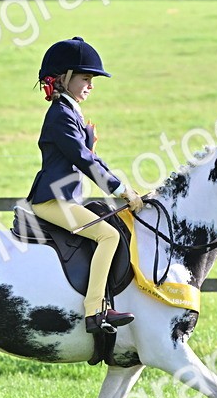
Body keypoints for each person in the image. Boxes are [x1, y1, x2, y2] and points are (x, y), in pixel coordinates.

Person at [27, 36, 144, 335]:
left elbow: (92, 157)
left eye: (92, 80)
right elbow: (83, 159)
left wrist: (125, 188)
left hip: (67, 199)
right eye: (85, 78)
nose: (90, 85)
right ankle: (94, 312)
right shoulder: (61, 116)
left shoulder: (71, 113)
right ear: (65, 79)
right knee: (108, 237)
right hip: (53, 201)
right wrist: (120, 190)